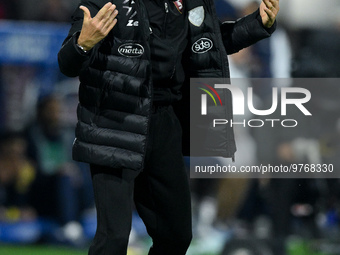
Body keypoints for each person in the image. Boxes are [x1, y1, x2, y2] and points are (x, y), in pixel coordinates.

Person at [58, 0, 279, 254]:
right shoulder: (107, 1)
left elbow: (210, 42)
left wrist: (258, 24)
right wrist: (82, 44)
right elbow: (66, 63)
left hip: (165, 123)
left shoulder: (192, 3)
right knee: (114, 239)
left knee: (177, 235)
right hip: (115, 123)